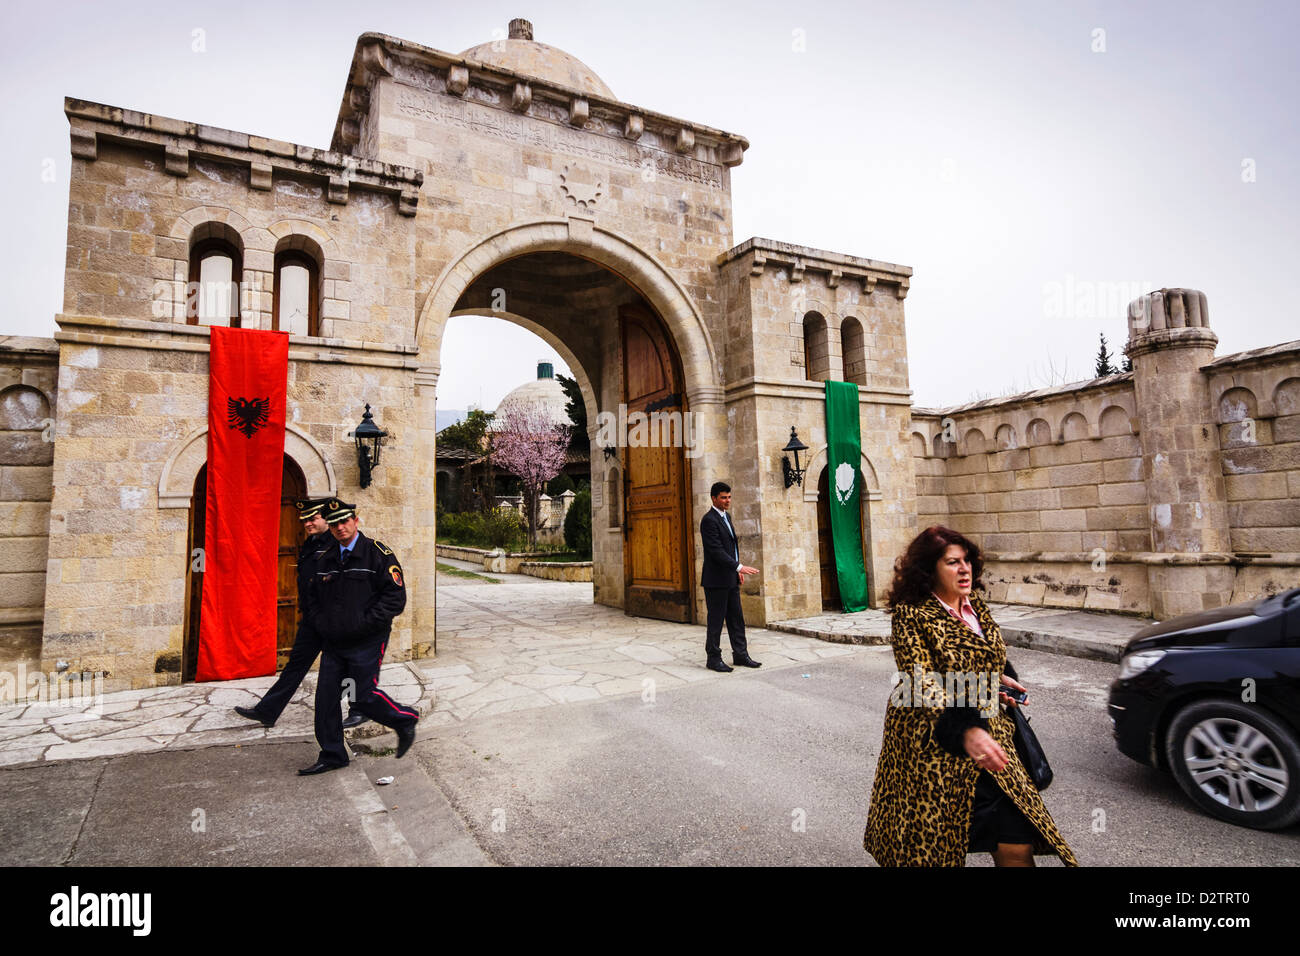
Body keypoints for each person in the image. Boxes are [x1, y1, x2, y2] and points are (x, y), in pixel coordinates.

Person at [862, 525, 1078, 866]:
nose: (964, 569)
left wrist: (999, 679)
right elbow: (920, 681)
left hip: (992, 741)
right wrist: (966, 729)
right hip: (933, 747)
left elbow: (988, 653)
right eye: (952, 562)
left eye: (966, 561)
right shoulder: (911, 614)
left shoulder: (974, 603)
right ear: (930, 569)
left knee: (1015, 839)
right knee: (930, 849)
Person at [297, 499, 418, 776]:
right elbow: (312, 597)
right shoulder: (325, 557)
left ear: (355, 520)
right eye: (335, 523)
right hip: (335, 643)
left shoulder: (378, 554)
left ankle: (405, 719)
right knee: (326, 700)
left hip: (367, 640)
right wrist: (321, 624)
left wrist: (365, 623)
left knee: (362, 697)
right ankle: (333, 754)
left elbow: (395, 599)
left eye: (345, 521)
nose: (340, 527)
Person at [233, 496, 366, 729]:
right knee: (295, 664)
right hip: (313, 619)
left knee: (349, 665)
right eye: (304, 520)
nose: (307, 524)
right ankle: (268, 710)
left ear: (327, 519)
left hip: (335, 620)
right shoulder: (311, 544)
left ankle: (358, 710)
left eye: (313, 518)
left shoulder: (337, 543)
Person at [699, 481, 761, 672]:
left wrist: (736, 571)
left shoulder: (727, 517)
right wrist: (739, 566)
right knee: (716, 621)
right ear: (714, 498)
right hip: (715, 580)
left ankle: (741, 655)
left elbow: (732, 547)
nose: (727, 501)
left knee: (736, 618)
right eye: (724, 497)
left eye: (729, 497)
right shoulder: (709, 520)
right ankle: (713, 658)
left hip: (730, 578)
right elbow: (716, 551)